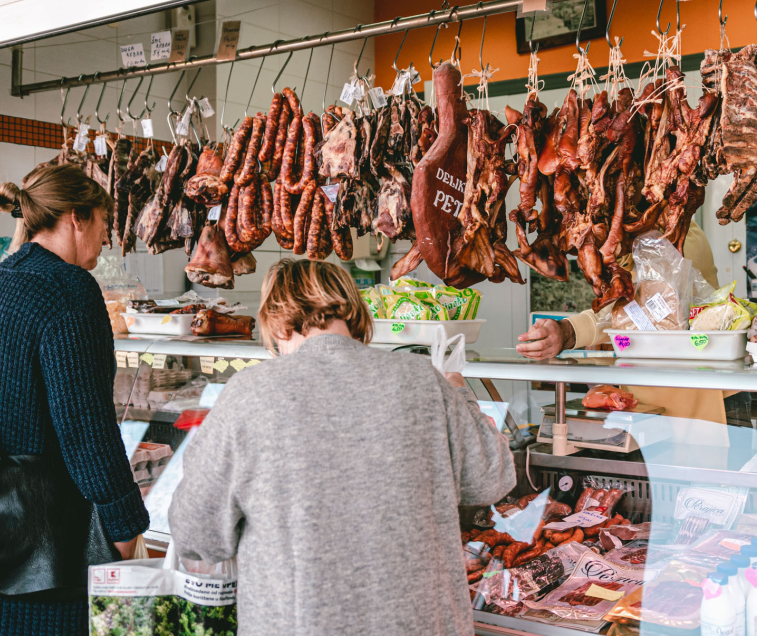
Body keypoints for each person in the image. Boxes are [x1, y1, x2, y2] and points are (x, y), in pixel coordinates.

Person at [170, 259, 515, 636]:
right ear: (354, 311)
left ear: (275, 319)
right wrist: (459, 391)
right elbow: (492, 478)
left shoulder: (251, 391)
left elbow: (196, 533)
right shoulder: (422, 379)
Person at [0, 165, 149, 635]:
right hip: (51, 558)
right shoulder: (69, 291)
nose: (106, 239)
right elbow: (87, 433)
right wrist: (125, 525)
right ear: (77, 217)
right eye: (105, 223)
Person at [517, 222, 749, 466]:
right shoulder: (632, 240)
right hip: (644, 404)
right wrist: (567, 331)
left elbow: (645, 306)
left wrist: (568, 331)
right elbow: (623, 314)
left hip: (704, 402)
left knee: (709, 490)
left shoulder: (674, 234)